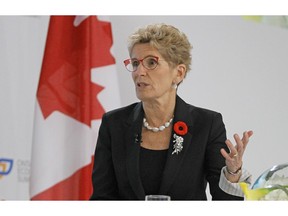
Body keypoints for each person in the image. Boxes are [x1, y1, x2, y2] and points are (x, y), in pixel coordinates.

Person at [90, 23, 253, 200]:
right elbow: (102, 198)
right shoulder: (114, 124)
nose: (139, 72)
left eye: (151, 62)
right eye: (135, 63)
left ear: (179, 73)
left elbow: (224, 204)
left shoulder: (206, 124)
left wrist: (232, 174)